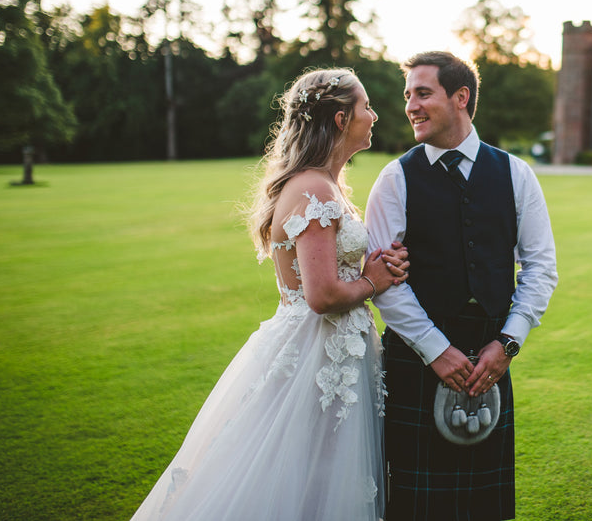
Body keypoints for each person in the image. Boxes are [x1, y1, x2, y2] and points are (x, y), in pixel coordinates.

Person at [131, 68, 409, 521]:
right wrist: (373, 282)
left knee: (314, 476)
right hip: (317, 353)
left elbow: (331, 268)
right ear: (341, 120)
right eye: (366, 107)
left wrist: (379, 263)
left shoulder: (324, 184)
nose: (374, 116)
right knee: (308, 478)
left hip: (329, 349)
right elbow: (321, 295)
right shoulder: (314, 188)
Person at [366, 51, 557, 521]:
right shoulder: (395, 178)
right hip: (414, 358)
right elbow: (385, 282)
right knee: (415, 503)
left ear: (461, 97)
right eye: (407, 95)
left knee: (484, 506)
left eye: (423, 93)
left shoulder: (516, 174)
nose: (411, 105)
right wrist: (436, 349)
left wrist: (507, 343)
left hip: (492, 348)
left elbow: (540, 268)